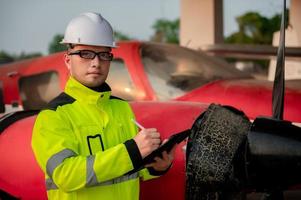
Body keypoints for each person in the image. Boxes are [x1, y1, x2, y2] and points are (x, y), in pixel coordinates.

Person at [31, 12, 176, 200]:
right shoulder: (52, 116)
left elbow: (132, 170)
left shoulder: (122, 108)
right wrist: (131, 150)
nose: (96, 63)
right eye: (85, 54)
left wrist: (156, 167)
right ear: (68, 60)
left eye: (103, 55)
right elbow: (66, 175)